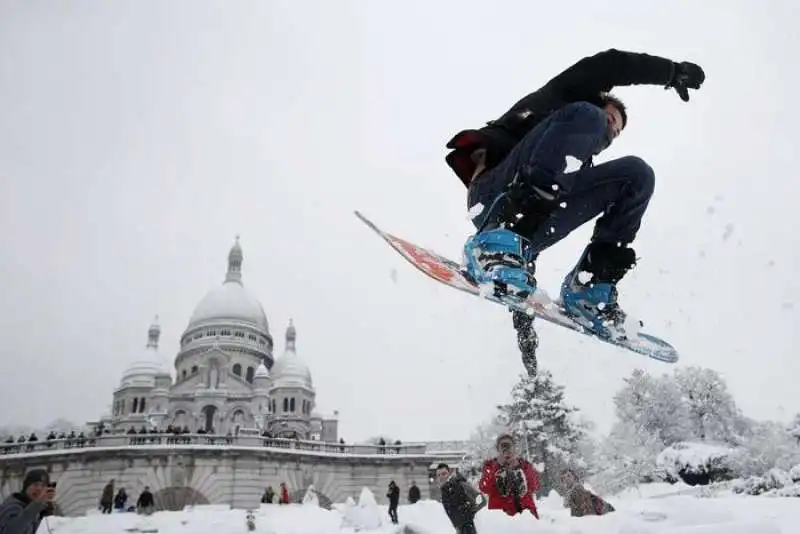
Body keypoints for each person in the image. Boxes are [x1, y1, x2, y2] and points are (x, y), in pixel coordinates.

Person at [445, 49, 705, 347]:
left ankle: (588, 290)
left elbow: (525, 261)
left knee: (637, 174)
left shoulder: (572, 166)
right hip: (493, 195)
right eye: (611, 119)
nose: (610, 132)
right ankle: (494, 242)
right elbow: (612, 64)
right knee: (587, 117)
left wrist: (523, 314)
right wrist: (670, 72)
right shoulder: (565, 99)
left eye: (616, 133)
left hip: (528, 231)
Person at [478, 433, 540, 519]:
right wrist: (497, 466)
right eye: (503, 446)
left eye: (509, 446)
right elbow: (484, 487)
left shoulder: (524, 465)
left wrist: (517, 466)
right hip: (501, 518)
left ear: (514, 447)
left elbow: (534, 486)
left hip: (526, 516)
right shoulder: (490, 466)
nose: (506, 449)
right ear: (498, 449)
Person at [0, 469, 56, 534]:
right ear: (26, 487)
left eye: (43, 485)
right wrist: (36, 506)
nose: (39, 489)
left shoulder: (39, 510)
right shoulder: (12, 506)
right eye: (35, 484)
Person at [435, 463, 486, 534]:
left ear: (449, 473)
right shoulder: (444, 492)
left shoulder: (460, 484)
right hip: (458, 529)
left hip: (468, 528)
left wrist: (470, 511)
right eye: (439, 475)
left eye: (444, 474)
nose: (441, 477)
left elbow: (482, 500)